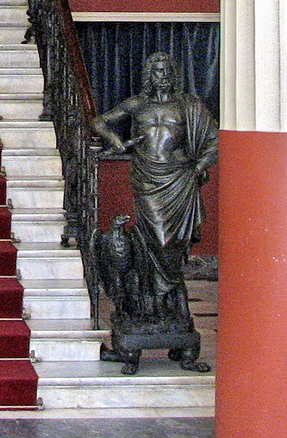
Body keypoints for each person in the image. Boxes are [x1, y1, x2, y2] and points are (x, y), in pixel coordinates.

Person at [89, 51, 218, 345]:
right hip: (148, 178)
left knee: (174, 242)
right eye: (157, 71)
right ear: (150, 75)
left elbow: (214, 140)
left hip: (179, 178)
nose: (162, 75)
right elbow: (99, 122)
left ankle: (166, 307)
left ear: (174, 73)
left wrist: (197, 168)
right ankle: (157, 300)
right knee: (157, 238)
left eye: (166, 70)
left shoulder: (189, 106)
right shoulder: (138, 104)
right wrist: (117, 141)